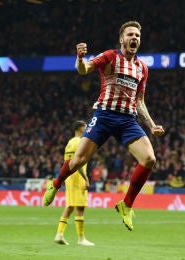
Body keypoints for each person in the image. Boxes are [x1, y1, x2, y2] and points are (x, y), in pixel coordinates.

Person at [43, 20, 165, 231]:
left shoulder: (142, 68)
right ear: (121, 39)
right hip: (105, 114)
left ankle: (126, 205)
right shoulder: (110, 56)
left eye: (137, 35)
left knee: (149, 159)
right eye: (130, 35)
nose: (134, 38)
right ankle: (55, 184)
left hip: (127, 120)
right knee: (79, 159)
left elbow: (140, 101)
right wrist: (80, 58)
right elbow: (84, 70)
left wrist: (152, 125)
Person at [53, 120, 94, 246]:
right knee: (80, 207)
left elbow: (68, 162)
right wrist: (86, 178)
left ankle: (59, 234)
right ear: (81, 128)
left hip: (69, 178)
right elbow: (78, 162)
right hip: (78, 177)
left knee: (70, 206)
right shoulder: (81, 142)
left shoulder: (70, 142)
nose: (87, 128)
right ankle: (81, 239)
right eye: (86, 126)